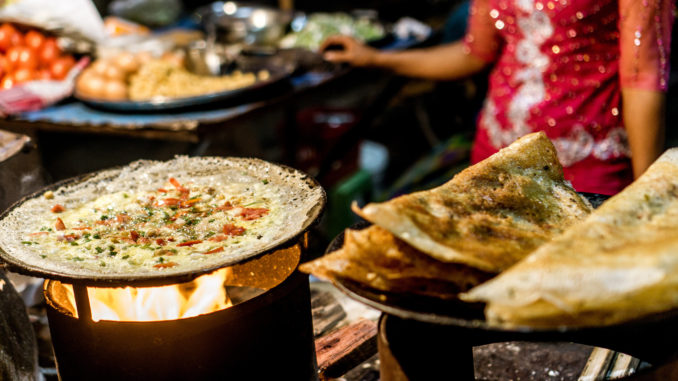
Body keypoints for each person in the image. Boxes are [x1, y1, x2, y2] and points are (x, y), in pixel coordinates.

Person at [321, 0, 674, 195]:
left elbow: (642, 77)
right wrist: (377, 58)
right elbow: (474, 53)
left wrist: (648, 196)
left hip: (583, 170)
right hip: (495, 158)